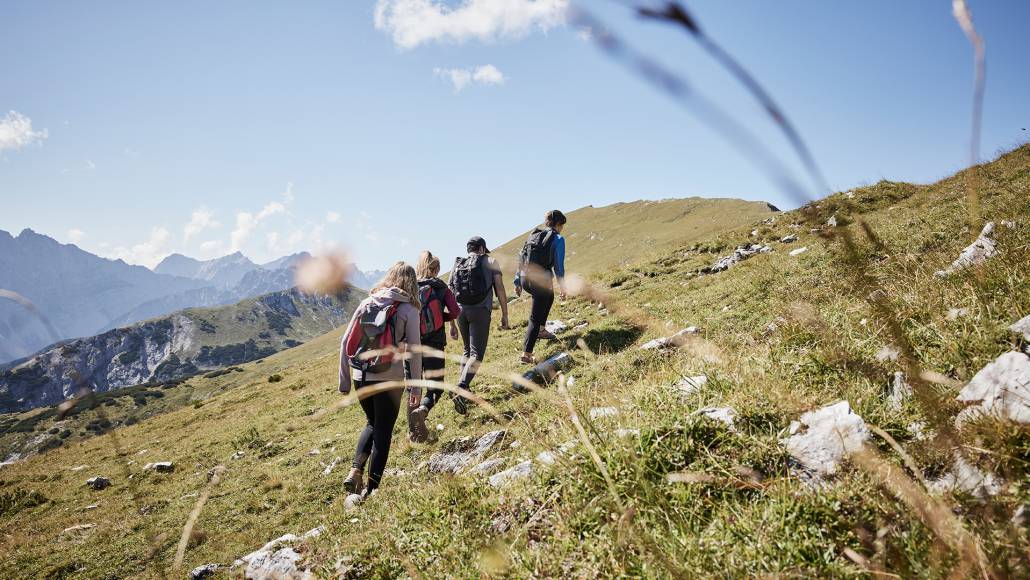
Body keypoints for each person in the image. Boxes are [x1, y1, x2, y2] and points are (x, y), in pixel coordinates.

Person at [338, 262, 423, 500]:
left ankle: (356, 470)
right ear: (412, 283)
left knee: (372, 422)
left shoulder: (367, 302)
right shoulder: (409, 310)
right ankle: (371, 490)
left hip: (360, 376)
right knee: (383, 431)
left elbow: (345, 343)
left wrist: (344, 382)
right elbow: (415, 352)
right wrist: (416, 387)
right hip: (388, 378)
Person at [449, 236, 509, 414]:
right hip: (480, 310)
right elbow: (499, 287)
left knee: (467, 351)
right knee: (477, 354)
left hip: (460, 311)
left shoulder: (457, 264)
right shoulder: (490, 260)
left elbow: (450, 292)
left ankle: (463, 389)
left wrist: (451, 323)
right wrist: (505, 314)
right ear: (482, 248)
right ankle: (461, 387)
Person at [409, 250, 461, 440]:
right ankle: (423, 409)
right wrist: (442, 317)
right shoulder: (440, 287)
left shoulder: (410, 287)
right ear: (436, 268)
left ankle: (412, 432)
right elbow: (456, 311)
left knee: (413, 386)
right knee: (435, 387)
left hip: (412, 343)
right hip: (434, 342)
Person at [514, 210, 567, 364]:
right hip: (540, 281)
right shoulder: (557, 239)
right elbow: (558, 266)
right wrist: (563, 286)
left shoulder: (533, 236)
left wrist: (517, 282)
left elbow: (521, 259)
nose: (562, 228)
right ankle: (526, 354)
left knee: (549, 297)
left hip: (526, 279)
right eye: (562, 225)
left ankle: (541, 331)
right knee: (535, 317)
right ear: (558, 224)